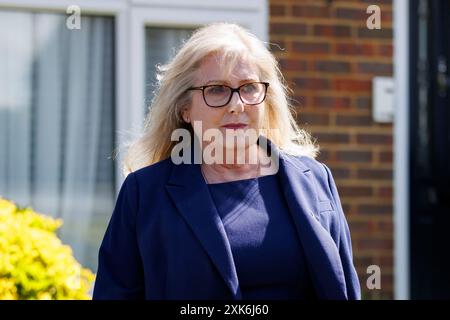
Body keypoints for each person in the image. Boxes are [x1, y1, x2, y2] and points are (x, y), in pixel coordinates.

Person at [93, 22, 361, 300]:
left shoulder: (315, 180)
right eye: (217, 89)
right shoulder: (145, 193)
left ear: (266, 99)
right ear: (185, 108)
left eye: (249, 88)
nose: (237, 105)